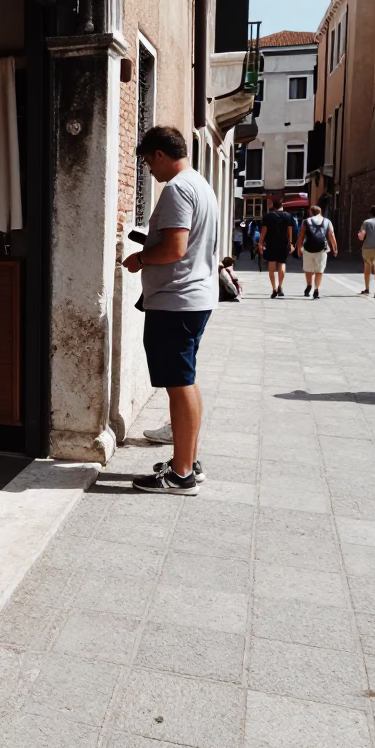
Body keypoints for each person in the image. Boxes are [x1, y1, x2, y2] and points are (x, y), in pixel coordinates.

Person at [123, 125, 218, 495]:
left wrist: (140, 258)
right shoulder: (200, 185)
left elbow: (175, 249)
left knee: (180, 385)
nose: (150, 170)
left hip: (176, 300)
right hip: (194, 298)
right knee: (185, 382)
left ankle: (181, 476)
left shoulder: (178, 189)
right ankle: (187, 462)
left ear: (160, 154)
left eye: (148, 162)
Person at [296, 205, 338, 299]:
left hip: (307, 249)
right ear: (320, 212)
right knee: (319, 270)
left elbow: (301, 236)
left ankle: (309, 285)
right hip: (322, 249)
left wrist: (299, 248)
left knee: (308, 269)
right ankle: (316, 290)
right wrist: (335, 248)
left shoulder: (306, 221)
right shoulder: (327, 221)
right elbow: (331, 235)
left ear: (311, 212)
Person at [258, 199, 294, 297]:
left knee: (271, 266)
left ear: (273, 206)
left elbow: (263, 231)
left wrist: (260, 243)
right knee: (282, 264)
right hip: (283, 243)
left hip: (271, 243)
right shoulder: (288, 216)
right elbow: (289, 230)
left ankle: (274, 288)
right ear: (282, 205)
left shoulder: (268, 216)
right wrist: (290, 243)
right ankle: (280, 286)